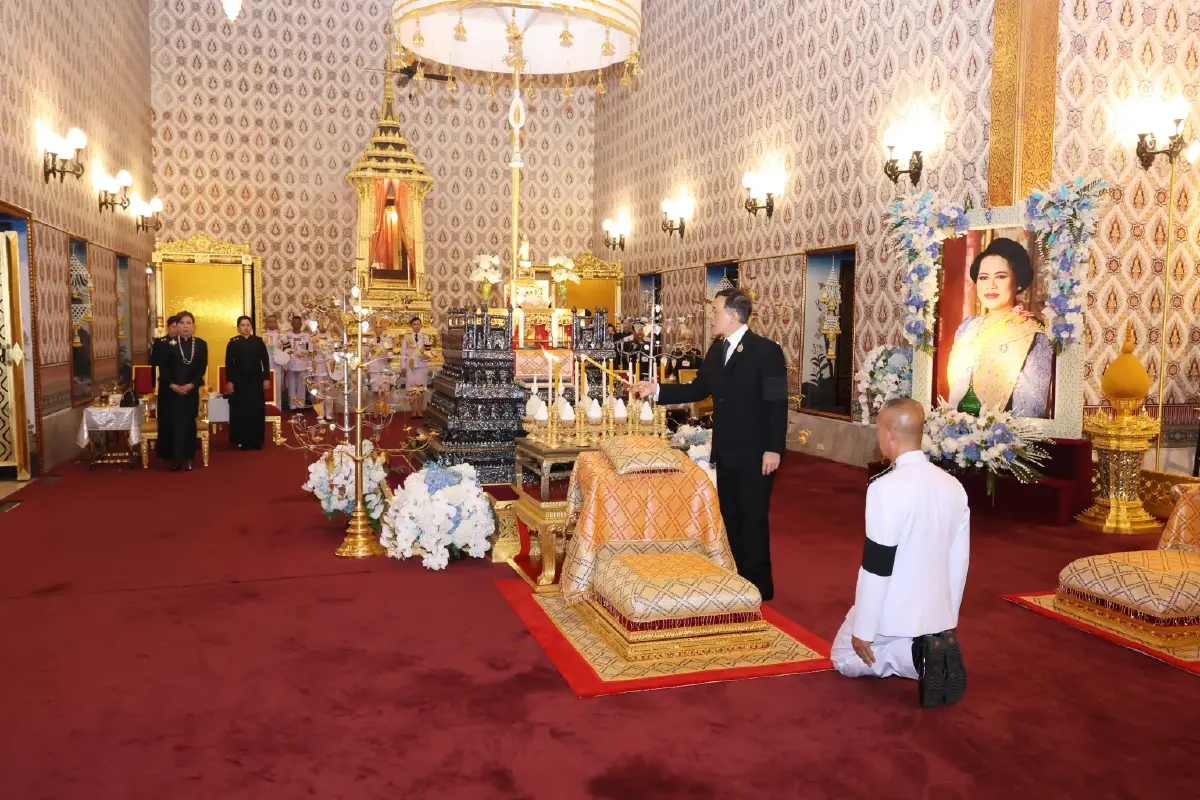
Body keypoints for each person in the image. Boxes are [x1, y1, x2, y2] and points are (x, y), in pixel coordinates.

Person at [634, 288, 788, 600]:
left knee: (753, 518)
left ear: (734, 315)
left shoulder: (766, 351)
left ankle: (759, 586)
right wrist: (657, 389)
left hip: (757, 452)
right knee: (730, 516)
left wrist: (773, 448)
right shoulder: (717, 351)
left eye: (716, 311)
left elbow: (777, 403)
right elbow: (698, 389)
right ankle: (735, 579)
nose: (711, 316)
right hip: (726, 449)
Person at [830, 397, 970, 707]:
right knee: (896, 639)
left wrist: (863, 628)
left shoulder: (885, 487)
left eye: (878, 429)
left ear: (890, 433)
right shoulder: (952, 486)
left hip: (891, 611)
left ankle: (916, 657)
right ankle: (931, 647)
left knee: (842, 657)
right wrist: (946, 620)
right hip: (934, 612)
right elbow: (958, 561)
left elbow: (877, 565)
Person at [945, 237, 1053, 418]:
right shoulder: (967, 328)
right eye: (983, 277)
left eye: (1001, 276)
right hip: (957, 431)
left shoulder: (1031, 334)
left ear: (1017, 282)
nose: (991, 285)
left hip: (1003, 438)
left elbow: (1030, 410)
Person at [161, 311, 208, 471]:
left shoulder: (201, 344)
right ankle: (175, 458)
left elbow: (201, 368)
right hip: (172, 391)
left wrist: (191, 384)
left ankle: (189, 457)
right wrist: (172, 385)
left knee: (189, 423)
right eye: (182, 323)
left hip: (191, 390)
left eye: (188, 323)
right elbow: (164, 369)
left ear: (194, 326)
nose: (185, 326)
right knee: (175, 423)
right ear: (177, 326)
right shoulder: (168, 343)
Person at [224, 315, 271, 450]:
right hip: (239, 382)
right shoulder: (233, 342)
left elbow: (265, 361)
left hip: (256, 381)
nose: (246, 327)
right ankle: (242, 440)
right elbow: (229, 364)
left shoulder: (258, 341)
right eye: (243, 325)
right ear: (238, 328)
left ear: (251, 327)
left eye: (248, 325)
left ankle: (256, 440)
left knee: (256, 410)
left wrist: (266, 378)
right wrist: (229, 381)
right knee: (241, 410)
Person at [150, 315, 180, 460]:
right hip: (166, 386)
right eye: (172, 326)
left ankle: (180, 448)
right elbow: (154, 365)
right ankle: (165, 450)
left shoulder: (186, 343)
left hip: (182, 385)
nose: (175, 329)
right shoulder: (161, 343)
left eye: (177, 325)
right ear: (168, 327)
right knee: (166, 418)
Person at [400, 316, 431, 419]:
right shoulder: (407, 337)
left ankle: (419, 410)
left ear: (421, 325)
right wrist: (403, 367)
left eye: (418, 324)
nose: (416, 326)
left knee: (421, 389)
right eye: (414, 324)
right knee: (412, 389)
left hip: (422, 365)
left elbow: (428, 352)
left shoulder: (425, 337)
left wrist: (425, 356)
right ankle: (413, 410)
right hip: (411, 366)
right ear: (411, 326)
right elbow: (403, 353)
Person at [281, 315, 313, 411]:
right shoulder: (286, 335)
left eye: (298, 323)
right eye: (294, 323)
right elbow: (282, 350)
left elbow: (310, 350)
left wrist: (310, 365)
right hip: (290, 364)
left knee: (301, 386)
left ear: (301, 324)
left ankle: (300, 405)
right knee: (291, 386)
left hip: (303, 364)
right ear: (291, 324)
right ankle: (292, 406)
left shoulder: (307, 336)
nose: (296, 325)